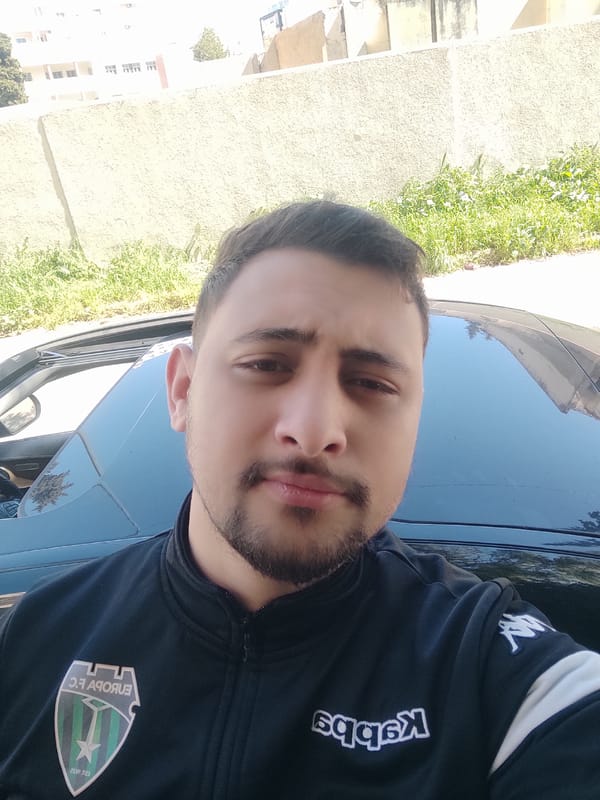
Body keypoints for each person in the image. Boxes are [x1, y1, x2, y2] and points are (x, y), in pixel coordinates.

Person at [0, 201, 598, 799]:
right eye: (266, 364)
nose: (314, 431)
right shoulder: (37, 638)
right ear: (182, 391)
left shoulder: (493, 673)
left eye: (371, 383)